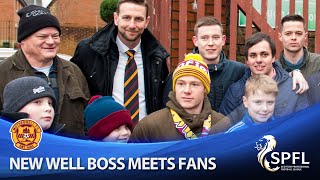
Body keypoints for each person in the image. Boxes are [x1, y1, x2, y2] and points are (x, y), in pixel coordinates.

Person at [71, 0, 169, 123]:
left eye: (138, 19)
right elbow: (76, 97)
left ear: (146, 22)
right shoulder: (89, 52)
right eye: (126, 18)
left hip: (144, 137)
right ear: (116, 18)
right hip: (102, 136)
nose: (132, 25)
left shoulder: (157, 57)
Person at [0, 5, 90, 138]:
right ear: (23, 40)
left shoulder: (73, 71)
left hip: (70, 154)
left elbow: (88, 119)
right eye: (42, 36)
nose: (51, 42)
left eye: (55, 36)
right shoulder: (3, 72)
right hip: (24, 156)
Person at [130, 53, 228, 143]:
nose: (187, 90)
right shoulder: (149, 126)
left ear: (205, 89)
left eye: (194, 84)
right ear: (174, 87)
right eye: (181, 84)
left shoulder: (223, 125)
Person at [220, 32, 309, 124]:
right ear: (247, 61)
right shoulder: (235, 91)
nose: (258, 60)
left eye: (264, 54)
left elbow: (303, 126)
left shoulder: (293, 87)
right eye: (253, 55)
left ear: (273, 58)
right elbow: (226, 131)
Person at [163, 16, 246, 111]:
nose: (210, 43)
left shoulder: (238, 71)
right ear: (195, 41)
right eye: (204, 38)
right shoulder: (179, 74)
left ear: (223, 40)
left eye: (215, 37)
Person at [278, 14, 320, 79]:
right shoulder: (274, 67)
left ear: (305, 36)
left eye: (298, 33)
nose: (293, 37)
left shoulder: (318, 63)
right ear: (280, 37)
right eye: (288, 34)